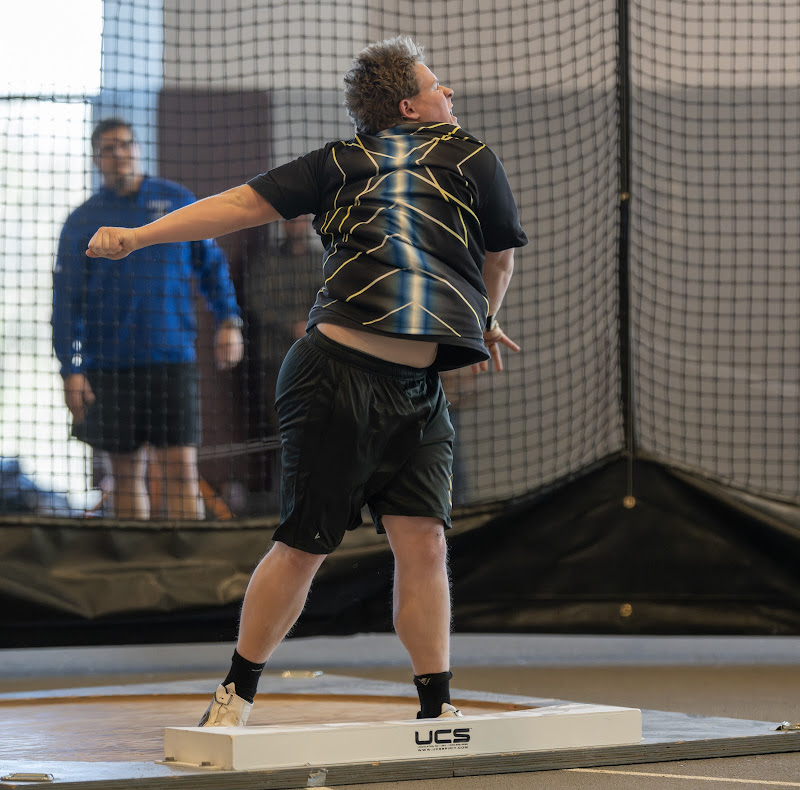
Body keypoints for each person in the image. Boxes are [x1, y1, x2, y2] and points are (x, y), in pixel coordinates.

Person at [86, 37, 528, 723]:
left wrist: (486, 317)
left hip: (419, 393)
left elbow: (496, 256)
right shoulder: (338, 164)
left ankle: (436, 709)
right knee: (303, 547)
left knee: (426, 540)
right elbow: (237, 205)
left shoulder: (472, 158)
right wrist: (140, 237)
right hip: (334, 377)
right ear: (408, 105)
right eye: (439, 87)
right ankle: (236, 693)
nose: (451, 95)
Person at [52, 119, 244, 520]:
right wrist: (70, 370)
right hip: (109, 367)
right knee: (124, 477)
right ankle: (130, 573)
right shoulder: (82, 221)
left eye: (124, 144)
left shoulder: (175, 200)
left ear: (137, 148)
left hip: (172, 362)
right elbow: (65, 301)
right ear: (96, 159)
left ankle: (186, 573)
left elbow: (212, 267)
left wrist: (229, 322)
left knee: (181, 473)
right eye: (108, 148)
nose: (118, 153)